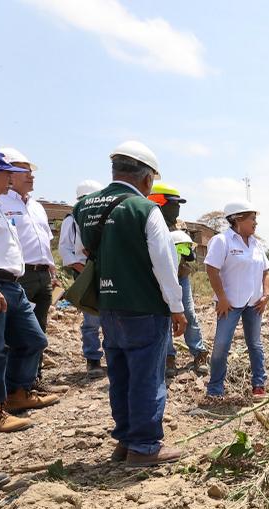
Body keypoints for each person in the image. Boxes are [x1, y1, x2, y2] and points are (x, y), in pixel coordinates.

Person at [72, 141, 187, 466]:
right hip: (144, 306)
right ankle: (144, 447)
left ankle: (124, 441)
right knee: (147, 377)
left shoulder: (86, 206)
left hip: (108, 306)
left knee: (120, 374)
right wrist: (176, 307)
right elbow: (164, 263)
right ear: (147, 178)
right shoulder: (144, 208)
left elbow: (80, 251)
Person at [0, 149, 57, 432]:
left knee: (34, 339)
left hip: (12, 283)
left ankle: (18, 393)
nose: (9, 178)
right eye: (5, 172)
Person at [204, 200, 269, 399]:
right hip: (229, 304)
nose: (255, 223)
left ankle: (259, 383)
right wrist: (222, 298)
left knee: (255, 344)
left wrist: (266, 295)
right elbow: (211, 269)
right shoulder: (222, 241)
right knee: (222, 345)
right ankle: (215, 388)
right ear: (237, 219)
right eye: (252, 219)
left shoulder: (256, 243)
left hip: (254, 303)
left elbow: (266, 271)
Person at [146, 182, 208, 377]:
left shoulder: (180, 225)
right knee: (164, 317)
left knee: (188, 313)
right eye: (174, 203)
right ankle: (168, 357)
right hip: (157, 278)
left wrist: (186, 250)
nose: (178, 208)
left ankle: (199, 353)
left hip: (181, 276)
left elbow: (190, 253)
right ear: (159, 202)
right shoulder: (148, 223)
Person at [58, 179, 105, 378]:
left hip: (105, 270)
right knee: (92, 318)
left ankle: (114, 357)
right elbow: (65, 251)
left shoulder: (103, 216)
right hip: (85, 272)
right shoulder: (72, 219)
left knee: (112, 316)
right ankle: (93, 359)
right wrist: (85, 271)